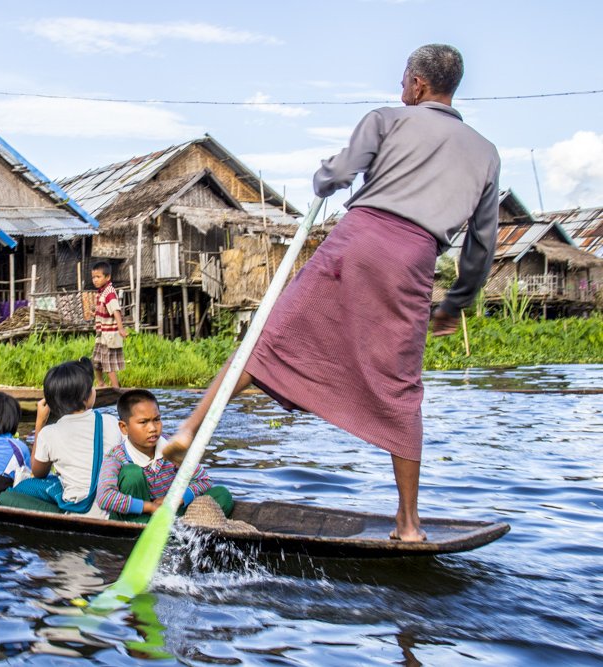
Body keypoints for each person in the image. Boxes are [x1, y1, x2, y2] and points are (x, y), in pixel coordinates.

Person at [169, 44, 500, 542]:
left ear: (418, 84)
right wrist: (457, 300)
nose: (401, 88)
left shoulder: (387, 119)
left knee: (269, 339)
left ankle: (191, 428)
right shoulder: (486, 153)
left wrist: (325, 173)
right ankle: (408, 524)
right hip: (414, 257)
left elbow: (338, 175)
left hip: (358, 238)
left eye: (404, 80)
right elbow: (483, 242)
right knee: (401, 386)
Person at [0, 357, 122, 516]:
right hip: (112, 507)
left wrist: (40, 422)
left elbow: (38, 472)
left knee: (12, 493)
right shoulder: (111, 422)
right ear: (86, 396)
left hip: (77, 511)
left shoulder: (48, 433)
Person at [96, 389, 232, 523]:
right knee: (132, 474)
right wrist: (149, 507)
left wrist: (174, 498)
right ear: (124, 427)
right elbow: (104, 497)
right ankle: (156, 527)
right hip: (134, 518)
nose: (152, 428)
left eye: (157, 420)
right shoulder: (116, 456)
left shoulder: (171, 448)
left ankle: (178, 526)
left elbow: (203, 480)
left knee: (222, 494)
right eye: (143, 422)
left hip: (168, 513)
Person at [91, 261, 129, 389]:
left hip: (110, 335)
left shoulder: (109, 293)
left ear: (107, 277)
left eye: (98, 277)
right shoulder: (101, 292)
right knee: (96, 361)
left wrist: (121, 329)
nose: (95, 280)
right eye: (93, 277)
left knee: (108, 364)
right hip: (101, 335)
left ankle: (115, 388)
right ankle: (101, 383)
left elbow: (116, 311)